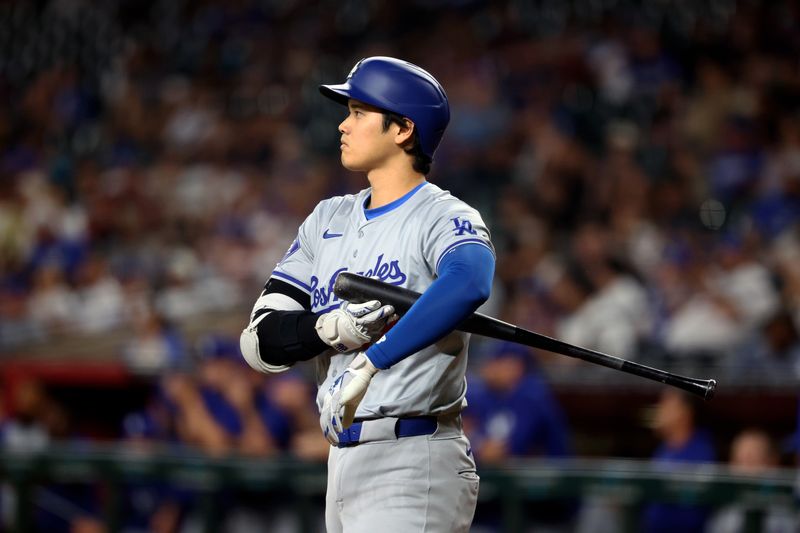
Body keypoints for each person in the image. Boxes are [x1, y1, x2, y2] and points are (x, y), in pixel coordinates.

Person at [239, 56, 495, 532]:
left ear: (402, 129)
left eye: (358, 112)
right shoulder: (328, 218)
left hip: (413, 455)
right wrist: (330, 328)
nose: (343, 124)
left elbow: (469, 282)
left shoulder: (441, 214)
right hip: (341, 459)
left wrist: (372, 359)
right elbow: (258, 343)